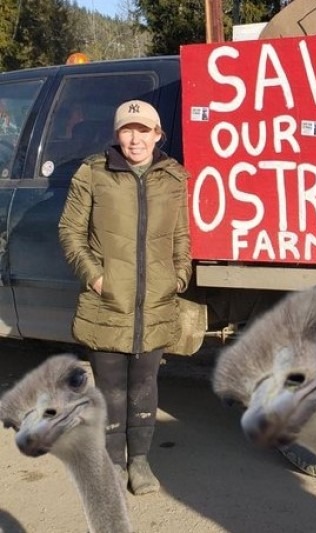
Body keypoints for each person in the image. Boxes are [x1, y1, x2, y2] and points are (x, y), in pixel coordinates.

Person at [58, 99, 192, 495]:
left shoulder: (173, 177)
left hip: (155, 302)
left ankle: (141, 462)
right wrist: (97, 278)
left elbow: (182, 236)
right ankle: (114, 463)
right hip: (108, 302)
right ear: (117, 134)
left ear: (157, 135)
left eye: (144, 130)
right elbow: (70, 231)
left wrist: (178, 277)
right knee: (112, 387)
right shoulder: (93, 173)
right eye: (127, 130)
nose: (136, 139)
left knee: (145, 384)